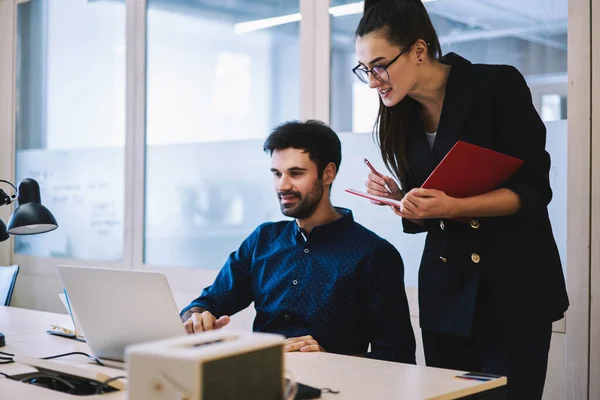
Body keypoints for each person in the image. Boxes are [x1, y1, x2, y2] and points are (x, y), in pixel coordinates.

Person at [354, 0, 569, 398]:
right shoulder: (398, 115)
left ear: (419, 51)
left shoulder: (496, 86)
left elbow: (534, 191)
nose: (373, 81)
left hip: (513, 287)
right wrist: (402, 199)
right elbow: (433, 205)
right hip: (446, 294)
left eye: (379, 66)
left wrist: (453, 206)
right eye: (365, 70)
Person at [180, 120, 416, 364]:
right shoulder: (263, 240)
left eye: (295, 173)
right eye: (277, 174)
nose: (282, 185)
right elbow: (203, 305)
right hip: (259, 381)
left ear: (328, 174)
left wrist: (330, 360)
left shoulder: (373, 254)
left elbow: (397, 356)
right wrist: (197, 317)